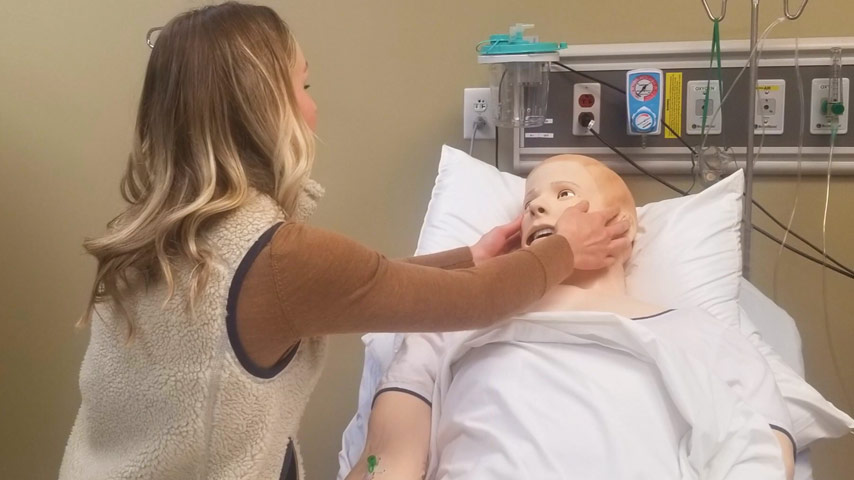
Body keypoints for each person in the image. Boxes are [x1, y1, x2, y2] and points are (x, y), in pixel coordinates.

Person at [58, 4, 630, 480]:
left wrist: (469, 257)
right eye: (302, 86)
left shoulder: (149, 233)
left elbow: (355, 285)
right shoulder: (281, 258)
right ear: (266, 110)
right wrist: (563, 249)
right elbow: (470, 302)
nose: (313, 106)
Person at [346, 155, 796, 480]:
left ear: (623, 225)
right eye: (529, 204)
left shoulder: (705, 338)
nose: (537, 208)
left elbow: (764, 463)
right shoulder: (449, 326)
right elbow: (385, 463)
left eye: (564, 194)